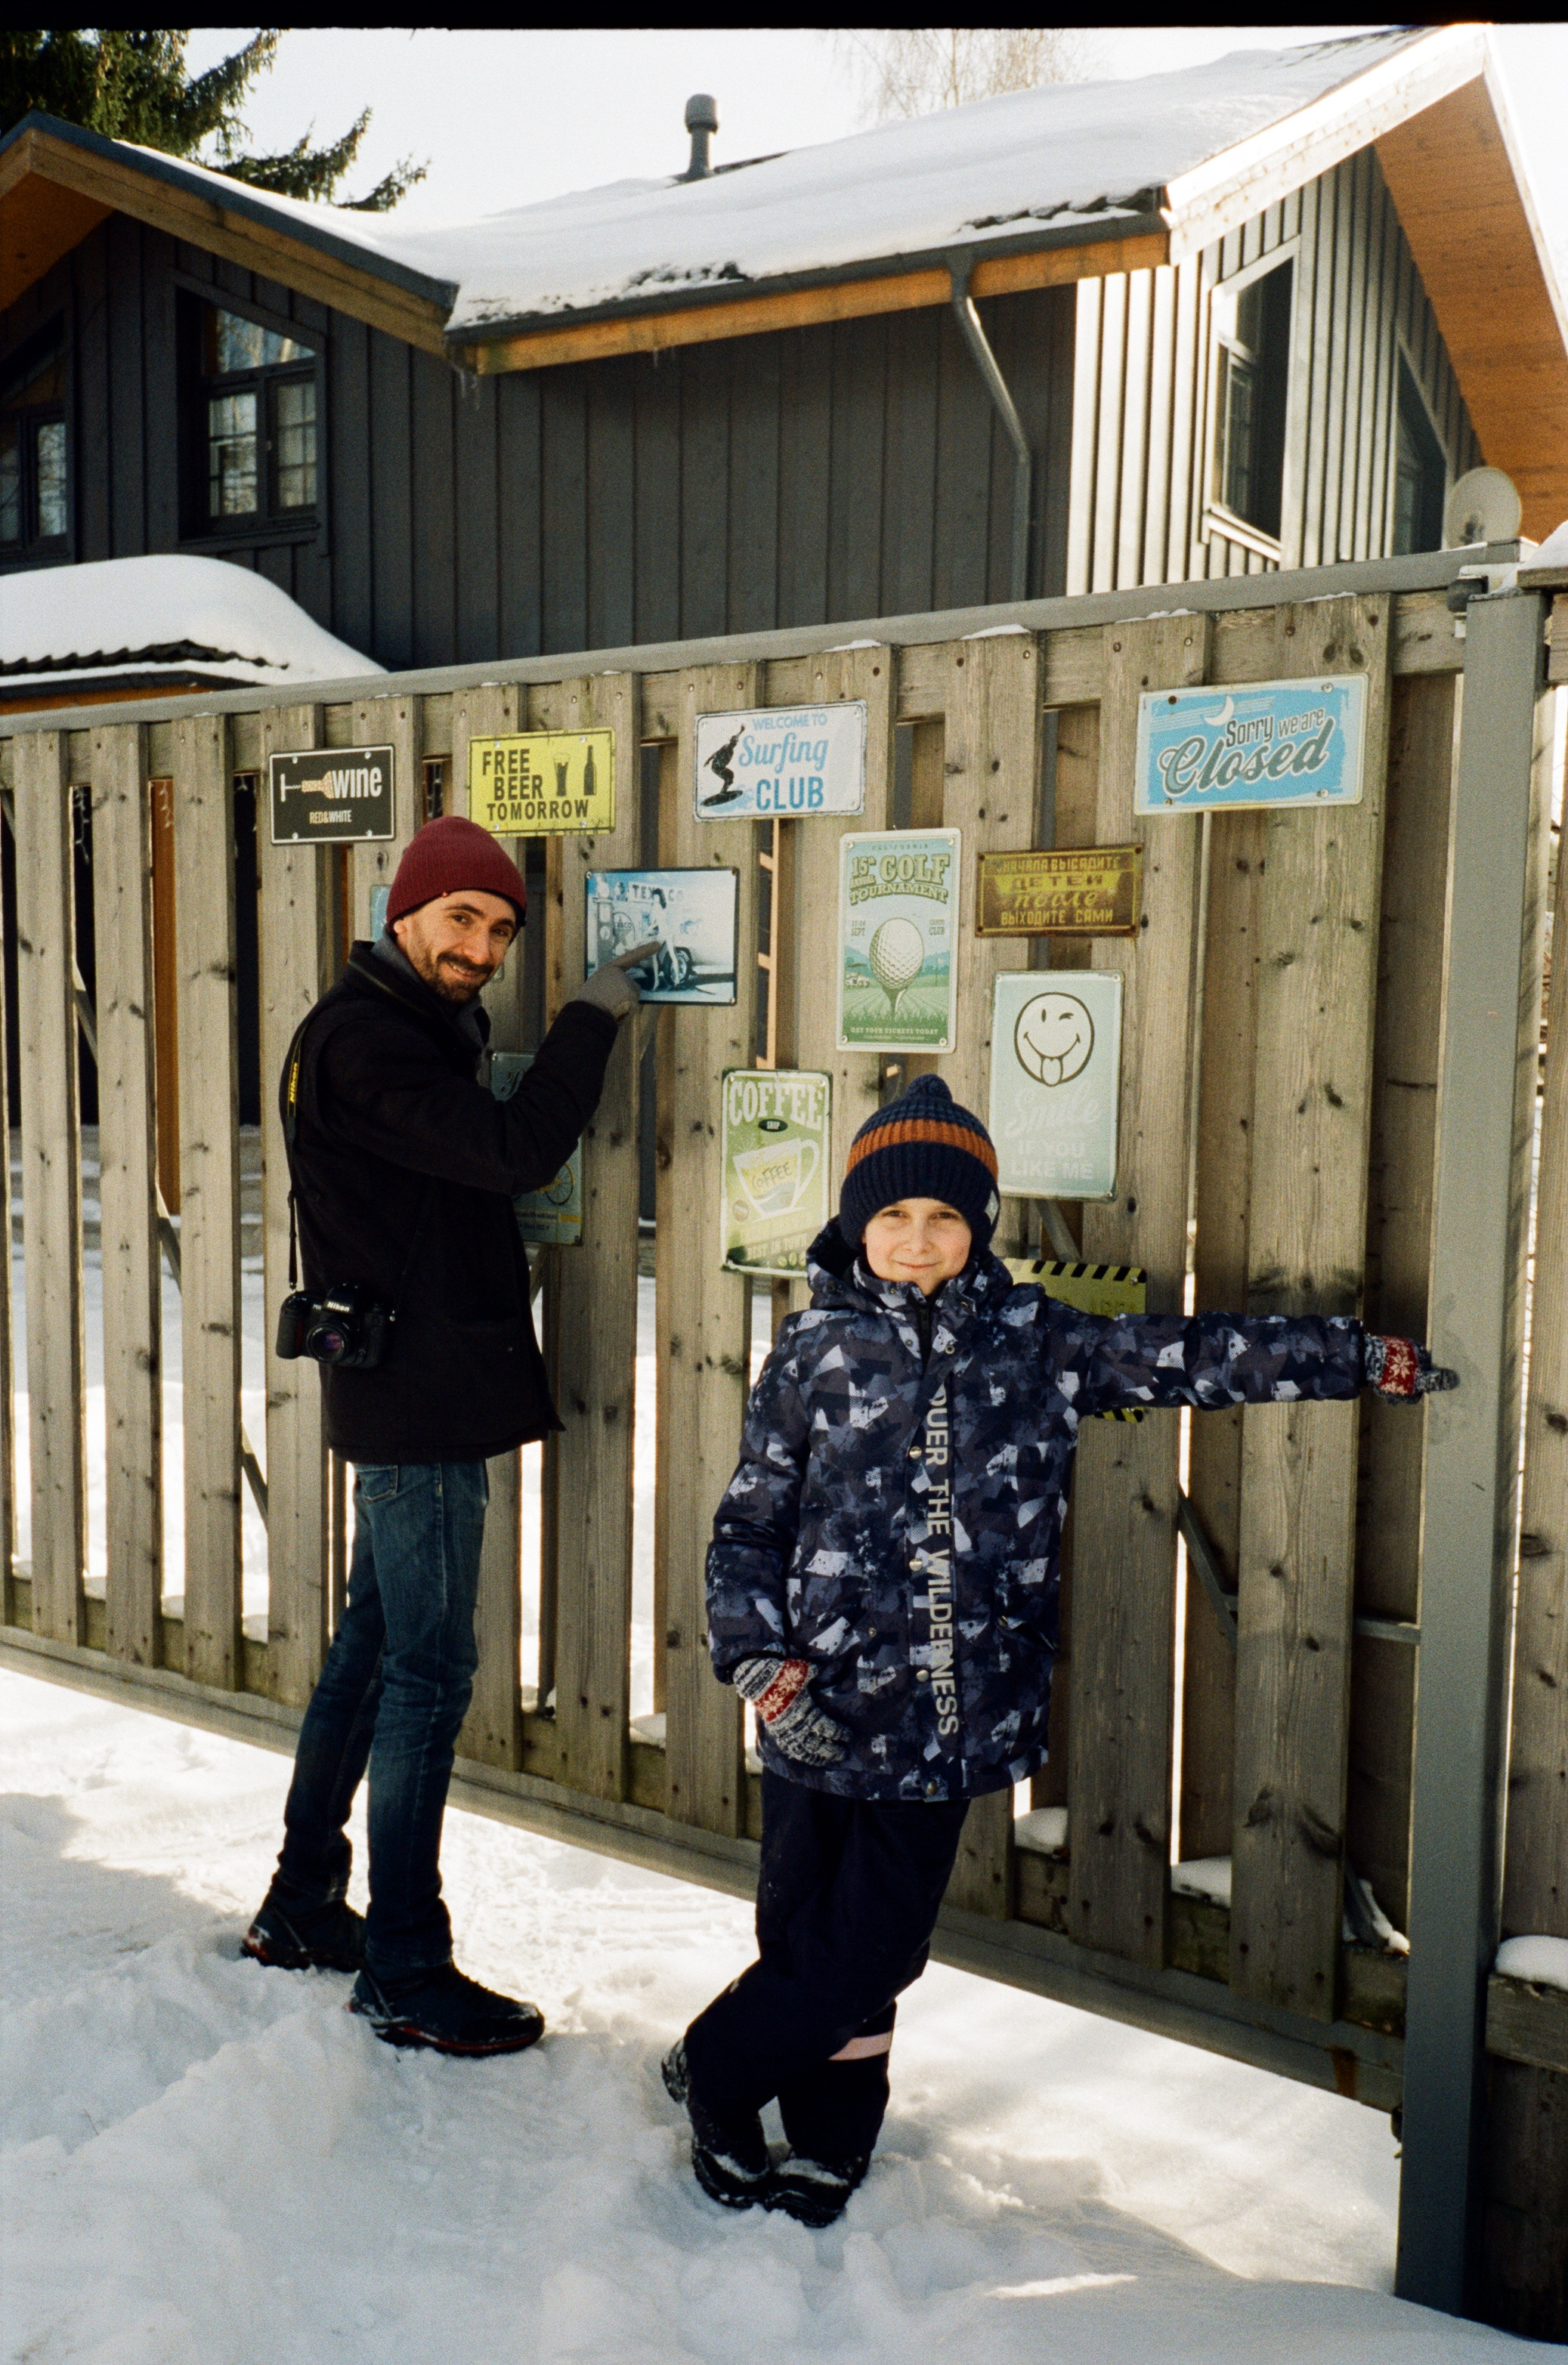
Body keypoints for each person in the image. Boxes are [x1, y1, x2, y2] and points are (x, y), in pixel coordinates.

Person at [663, 1072, 1457, 2224]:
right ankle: (818, 2121)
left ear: (977, 1228)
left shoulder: (1037, 1344)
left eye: (943, 1219)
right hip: (810, 1704)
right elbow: (749, 1523)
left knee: (872, 1946)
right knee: (801, 1933)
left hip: (943, 1714)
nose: (918, 1242)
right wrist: (765, 1668)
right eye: (893, 1218)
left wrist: (1356, 1356)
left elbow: (1198, 1357)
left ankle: (726, 2073)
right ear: (857, 1227)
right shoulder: (813, 1352)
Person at [243, 813, 657, 2056]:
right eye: (461, 919)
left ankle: (302, 1902)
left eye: (500, 930)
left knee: (372, 1646)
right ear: (403, 911)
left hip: (411, 1387)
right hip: (417, 1407)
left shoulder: (398, 1030)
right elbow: (518, 1152)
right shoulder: (368, 1042)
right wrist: (593, 1017)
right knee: (428, 1674)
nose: (480, 947)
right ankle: (406, 1967)